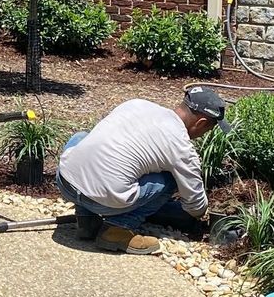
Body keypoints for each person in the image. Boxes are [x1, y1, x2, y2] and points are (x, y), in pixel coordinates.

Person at [54, 87, 226, 255]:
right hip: (102, 201)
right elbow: (196, 206)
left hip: (65, 182)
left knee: (81, 137)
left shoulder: (137, 104)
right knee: (170, 179)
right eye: (207, 129)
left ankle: (86, 220)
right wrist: (193, 214)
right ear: (201, 123)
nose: (204, 134)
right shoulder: (181, 147)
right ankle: (118, 229)